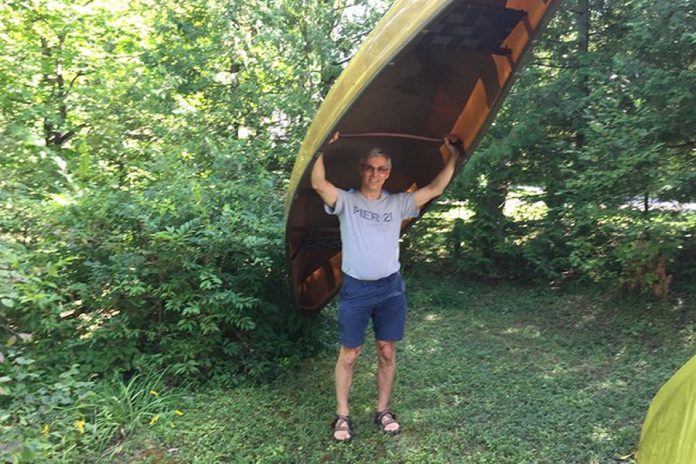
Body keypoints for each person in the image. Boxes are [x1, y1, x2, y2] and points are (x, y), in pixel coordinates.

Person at [311, 132, 462, 442]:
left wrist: (454, 157)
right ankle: (342, 415)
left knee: (387, 351)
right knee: (350, 354)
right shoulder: (347, 201)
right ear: (360, 169)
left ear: (389, 173)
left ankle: (382, 410)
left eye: (382, 169)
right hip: (356, 289)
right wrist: (322, 146)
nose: (375, 174)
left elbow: (434, 188)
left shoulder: (398, 203)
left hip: (390, 289)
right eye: (370, 167)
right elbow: (318, 184)